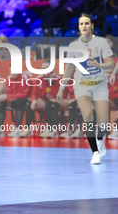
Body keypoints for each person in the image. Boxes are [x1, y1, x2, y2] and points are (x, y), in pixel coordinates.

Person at [57, 13, 114, 164]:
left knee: (103, 121)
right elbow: (69, 69)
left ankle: (100, 139)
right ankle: (95, 152)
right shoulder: (74, 46)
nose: (84, 26)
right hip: (82, 86)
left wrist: (99, 65)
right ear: (78, 27)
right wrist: (61, 89)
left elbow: (110, 64)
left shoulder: (101, 43)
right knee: (88, 115)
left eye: (87, 23)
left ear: (92, 26)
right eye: (81, 24)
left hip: (100, 86)